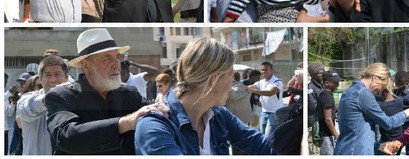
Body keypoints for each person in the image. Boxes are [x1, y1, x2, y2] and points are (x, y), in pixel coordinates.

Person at [135, 38, 276, 155]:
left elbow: (261, 144)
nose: (231, 84)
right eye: (230, 76)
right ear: (214, 80)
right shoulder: (153, 127)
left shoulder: (218, 115)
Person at [45, 28, 167, 154]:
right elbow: (67, 137)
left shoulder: (129, 93)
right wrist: (126, 123)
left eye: (117, 57)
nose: (116, 64)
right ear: (86, 65)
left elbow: (154, 117)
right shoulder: (61, 96)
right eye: (107, 58)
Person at [334, 63, 409, 155]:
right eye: (381, 86)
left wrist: (379, 146)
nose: (379, 91)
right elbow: (388, 123)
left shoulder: (348, 92)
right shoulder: (363, 94)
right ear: (375, 78)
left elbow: (356, 131)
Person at [17, 56, 68, 155]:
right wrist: (52, 98)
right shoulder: (29, 98)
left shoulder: (75, 99)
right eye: (48, 75)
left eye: (57, 74)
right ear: (40, 78)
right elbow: (26, 110)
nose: (53, 80)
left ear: (66, 76)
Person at [247, 62, 284, 136]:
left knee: (268, 137)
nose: (263, 72)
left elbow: (270, 93)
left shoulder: (277, 82)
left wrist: (253, 90)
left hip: (274, 113)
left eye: (266, 70)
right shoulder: (261, 82)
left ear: (271, 70)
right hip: (264, 112)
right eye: (262, 70)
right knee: (263, 135)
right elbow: (248, 87)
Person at [316, 70, 340, 155]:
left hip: (326, 135)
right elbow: (328, 119)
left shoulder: (325, 94)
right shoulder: (327, 96)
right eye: (335, 82)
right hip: (327, 136)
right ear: (327, 83)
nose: (338, 85)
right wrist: (337, 136)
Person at [376, 87, 404, 155]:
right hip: (399, 138)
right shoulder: (400, 101)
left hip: (385, 140)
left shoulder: (379, 105)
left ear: (383, 91)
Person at [307, 62, 325, 154]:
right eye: (320, 73)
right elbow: (314, 108)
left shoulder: (322, 86)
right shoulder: (310, 88)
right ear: (313, 75)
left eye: (323, 72)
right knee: (315, 152)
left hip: (322, 124)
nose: (323, 75)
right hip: (314, 126)